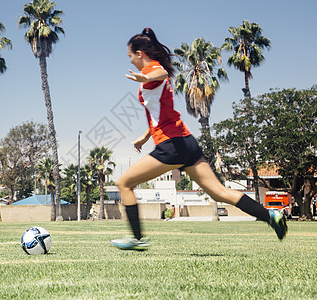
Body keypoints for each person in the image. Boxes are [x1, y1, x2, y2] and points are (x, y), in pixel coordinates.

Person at [111, 28, 288, 251]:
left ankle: (137, 239)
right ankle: (271, 216)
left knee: (124, 183)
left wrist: (145, 76)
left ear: (139, 53)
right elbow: (160, 113)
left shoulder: (152, 69)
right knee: (219, 193)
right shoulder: (150, 77)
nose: (131, 61)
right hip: (186, 142)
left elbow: (162, 73)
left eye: (130, 56)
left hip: (172, 145)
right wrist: (146, 136)